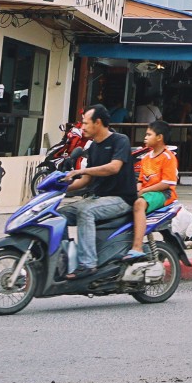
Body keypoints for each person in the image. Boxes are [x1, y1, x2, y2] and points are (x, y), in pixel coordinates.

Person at [59, 105, 136, 279]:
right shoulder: (93, 147)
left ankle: (88, 263)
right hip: (98, 198)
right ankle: (67, 259)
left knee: (85, 211)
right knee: (58, 215)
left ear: (98, 122)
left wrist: (82, 171)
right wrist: (61, 187)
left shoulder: (120, 140)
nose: (82, 127)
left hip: (121, 199)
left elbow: (113, 168)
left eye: (86, 123)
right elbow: (86, 181)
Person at [128, 119, 178, 263]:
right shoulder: (145, 158)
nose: (145, 137)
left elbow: (167, 183)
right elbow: (140, 180)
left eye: (149, 134)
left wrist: (143, 192)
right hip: (148, 193)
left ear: (159, 137)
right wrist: (138, 190)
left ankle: (137, 247)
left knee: (139, 205)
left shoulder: (168, 157)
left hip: (164, 194)